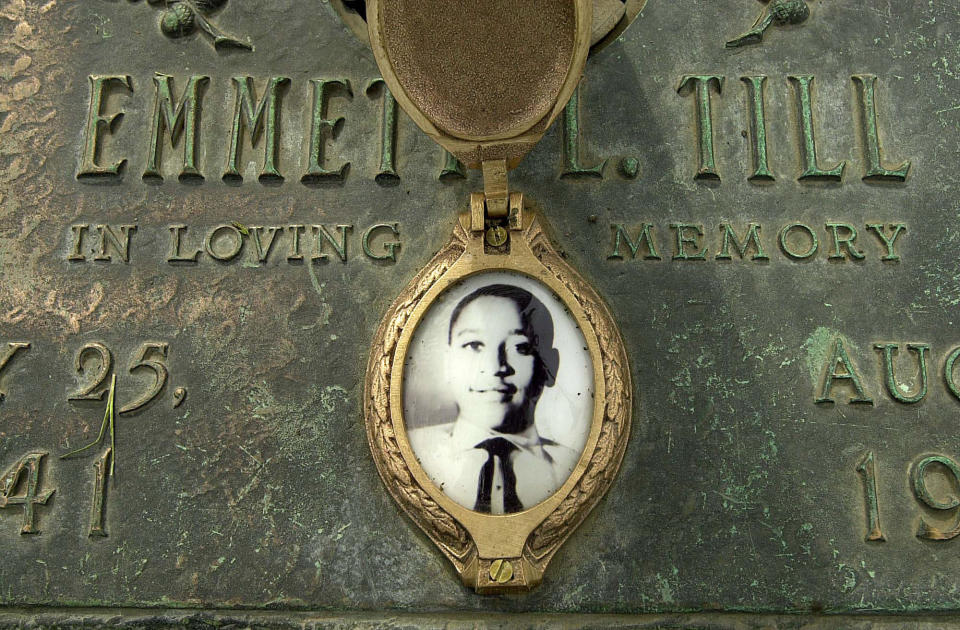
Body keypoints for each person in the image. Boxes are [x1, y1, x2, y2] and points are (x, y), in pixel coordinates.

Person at [408, 284, 580, 514]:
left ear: (550, 366)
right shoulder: (412, 453)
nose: (495, 367)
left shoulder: (577, 468)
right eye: (473, 345)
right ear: (448, 364)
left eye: (520, 347)